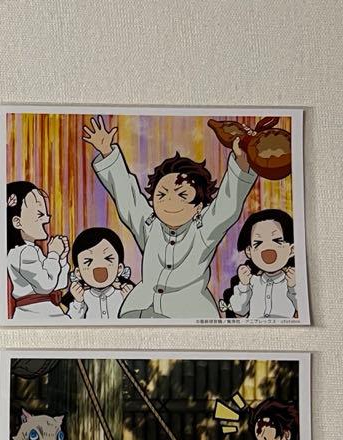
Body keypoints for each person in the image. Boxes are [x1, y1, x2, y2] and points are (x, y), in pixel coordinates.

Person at [83, 114, 259, 320]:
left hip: (187, 313)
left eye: (182, 196)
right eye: (162, 195)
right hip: (140, 310)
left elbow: (227, 206)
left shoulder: (203, 230)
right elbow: (127, 197)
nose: (170, 202)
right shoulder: (149, 224)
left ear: (199, 207)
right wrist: (107, 152)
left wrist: (241, 162)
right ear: (152, 201)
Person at [6, 181, 69, 321]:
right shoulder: (23, 253)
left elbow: (60, 283)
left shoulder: (33, 250)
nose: (47, 218)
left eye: (46, 214)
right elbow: (46, 285)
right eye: (40, 214)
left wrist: (61, 259)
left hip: (44, 311)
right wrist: (53, 255)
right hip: (34, 313)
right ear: (18, 222)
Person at [220, 209, 298, 320]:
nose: (267, 248)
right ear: (249, 251)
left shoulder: (291, 282)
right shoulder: (252, 282)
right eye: (258, 243)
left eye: (277, 241)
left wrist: (293, 287)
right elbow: (239, 310)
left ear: (292, 249)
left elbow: (302, 308)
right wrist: (244, 285)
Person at [62, 227, 134, 322]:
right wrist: (78, 302)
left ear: (119, 268)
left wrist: (130, 302)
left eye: (108, 259)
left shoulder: (123, 295)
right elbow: (70, 324)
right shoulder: (80, 299)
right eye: (88, 261)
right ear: (78, 273)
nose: (99, 266)